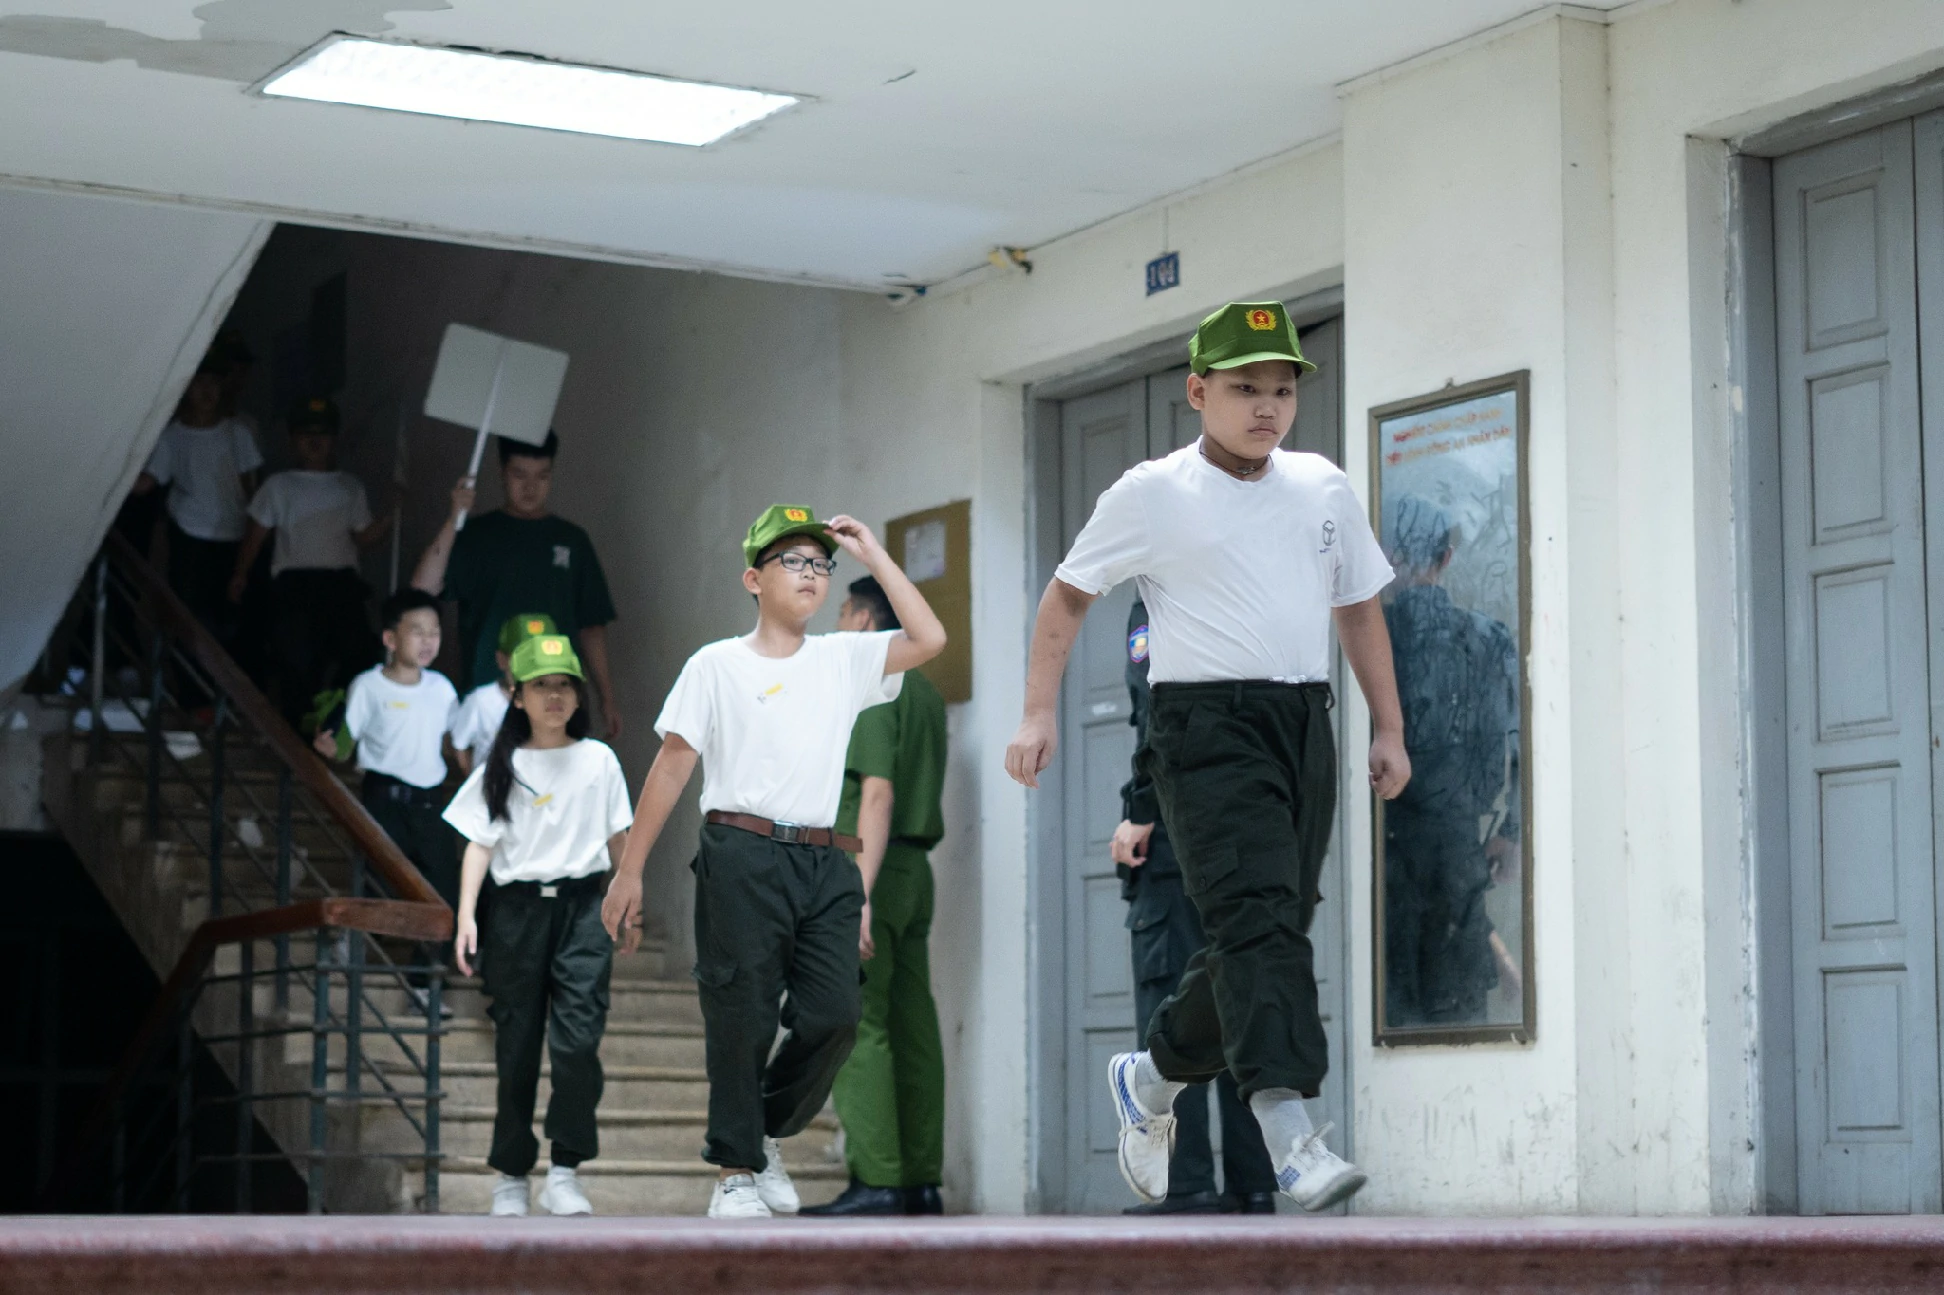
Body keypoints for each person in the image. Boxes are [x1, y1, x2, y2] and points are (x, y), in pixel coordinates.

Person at [1003, 301, 1411, 1214]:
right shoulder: (1151, 492)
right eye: (1244, 388)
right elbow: (1066, 597)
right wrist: (1036, 713)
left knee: (1268, 929)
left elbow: (1357, 607)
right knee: (1260, 925)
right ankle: (1289, 1130)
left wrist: (1387, 727)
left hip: (1302, 720)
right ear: (1197, 392)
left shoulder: (1322, 486)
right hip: (1203, 728)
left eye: (1282, 390)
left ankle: (1150, 1075)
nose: (1267, 406)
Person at [600, 506, 946, 1220]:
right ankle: (734, 1174)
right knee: (743, 1015)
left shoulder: (843, 658)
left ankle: (760, 1126)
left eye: (820, 563)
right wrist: (630, 869)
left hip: (824, 860)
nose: (811, 573)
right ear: (753, 579)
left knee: (835, 1015)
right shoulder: (716, 664)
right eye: (793, 561)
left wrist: (874, 555)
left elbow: (929, 638)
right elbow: (672, 767)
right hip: (741, 854)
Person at [444, 633, 635, 1218]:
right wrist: (466, 916)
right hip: (516, 915)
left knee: (577, 1043)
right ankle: (510, 1175)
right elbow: (479, 844)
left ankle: (565, 1170)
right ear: (517, 695)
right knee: (517, 1048)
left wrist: (631, 903)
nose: (555, 696)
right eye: (541, 685)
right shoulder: (502, 765)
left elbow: (620, 839)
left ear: (579, 695)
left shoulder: (599, 760)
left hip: (584, 912)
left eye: (565, 685)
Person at [1107, 597, 1278, 1215]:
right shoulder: (1247, 595)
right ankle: (1254, 1187)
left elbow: (1162, 711)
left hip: (1181, 837)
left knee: (1175, 1005)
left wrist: (1140, 810)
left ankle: (1186, 1185)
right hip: (1250, 832)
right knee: (1238, 1001)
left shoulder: (1160, 602)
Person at [801, 576, 950, 1218]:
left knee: (857, 1021)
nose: (836, 625)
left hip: (867, 867)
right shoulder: (927, 691)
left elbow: (877, 792)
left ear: (864, 620)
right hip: (915, 873)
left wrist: (857, 892)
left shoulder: (873, 683)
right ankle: (919, 1180)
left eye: (842, 612)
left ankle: (878, 1180)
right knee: (914, 1026)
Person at [1379, 496, 1522, 1027]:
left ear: (1389, 559)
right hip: (1458, 859)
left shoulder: (1371, 642)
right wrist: (1511, 830)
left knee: (1392, 1020)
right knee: (1459, 1026)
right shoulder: (1488, 641)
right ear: (1447, 558)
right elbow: (1522, 742)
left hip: (1386, 860)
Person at [411, 432, 623, 739]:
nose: (530, 487)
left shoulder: (572, 540)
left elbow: (591, 626)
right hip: (489, 696)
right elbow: (423, 588)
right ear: (502, 472)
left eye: (542, 476)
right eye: (519, 475)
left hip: (557, 699)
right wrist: (454, 517)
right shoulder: (477, 535)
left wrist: (607, 698)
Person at [314, 587, 460, 1014]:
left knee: (442, 892)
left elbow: (454, 743)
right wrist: (329, 748)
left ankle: (424, 986)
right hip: (382, 798)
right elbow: (345, 741)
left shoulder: (442, 689)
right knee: (378, 881)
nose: (428, 640)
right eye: (417, 631)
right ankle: (352, 938)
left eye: (434, 632)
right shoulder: (368, 686)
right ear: (390, 639)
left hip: (431, 804)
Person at [227, 397, 389, 728]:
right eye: (306, 434)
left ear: (334, 440)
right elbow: (255, 534)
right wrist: (240, 574)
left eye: (322, 434)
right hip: (294, 588)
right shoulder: (278, 485)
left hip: (341, 585)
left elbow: (364, 538)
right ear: (293, 440)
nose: (315, 441)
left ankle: (334, 724)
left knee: (360, 656)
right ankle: (298, 737)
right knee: (297, 667)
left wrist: (393, 512)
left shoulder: (349, 486)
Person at [130, 355, 264, 655]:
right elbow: (147, 482)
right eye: (199, 382)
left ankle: (223, 681)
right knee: (191, 618)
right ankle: (189, 682)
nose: (207, 391)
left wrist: (256, 537)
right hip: (189, 536)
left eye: (213, 383)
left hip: (233, 535)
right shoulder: (172, 436)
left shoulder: (238, 433)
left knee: (232, 620)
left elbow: (252, 492)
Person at [449, 613, 558, 776]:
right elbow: (459, 745)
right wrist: (475, 781)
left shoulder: (557, 702)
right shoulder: (480, 700)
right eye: (522, 658)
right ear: (502, 659)